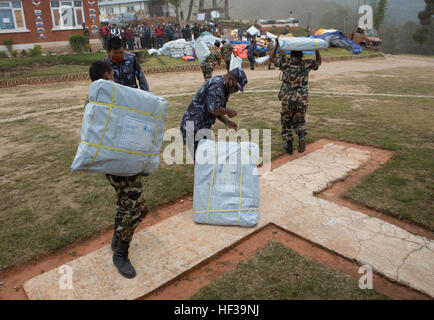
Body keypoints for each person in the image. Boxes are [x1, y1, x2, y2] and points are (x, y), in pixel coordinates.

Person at [87, 60, 151, 279]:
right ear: (107, 74)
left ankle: (116, 241)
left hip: (112, 161)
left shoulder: (93, 99)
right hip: (119, 162)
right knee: (139, 209)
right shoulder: (109, 97)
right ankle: (121, 253)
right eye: (112, 74)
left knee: (125, 202)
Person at [180, 67, 248, 158]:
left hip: (202, 127)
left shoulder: (225, 89)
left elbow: (217, 110)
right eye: (236, 87)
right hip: (193, 126)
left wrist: (227, 122)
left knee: (209, 158)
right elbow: (213, 109)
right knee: (204, 161)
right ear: (229, 79)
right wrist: (228, 111)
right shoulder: (216, 85)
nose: (235, 91)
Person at [269, 36, 322, 154]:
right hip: (302, 99)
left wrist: (276, 45)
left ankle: (289, 144)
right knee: (300, 120)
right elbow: (318, 62)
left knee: (286, 120)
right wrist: (316, 49)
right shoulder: (306, 64)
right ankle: (301, 135)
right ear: (301, 54)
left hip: (288, 99)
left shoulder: (285, 63)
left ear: (291, 53)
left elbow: (271, 59)